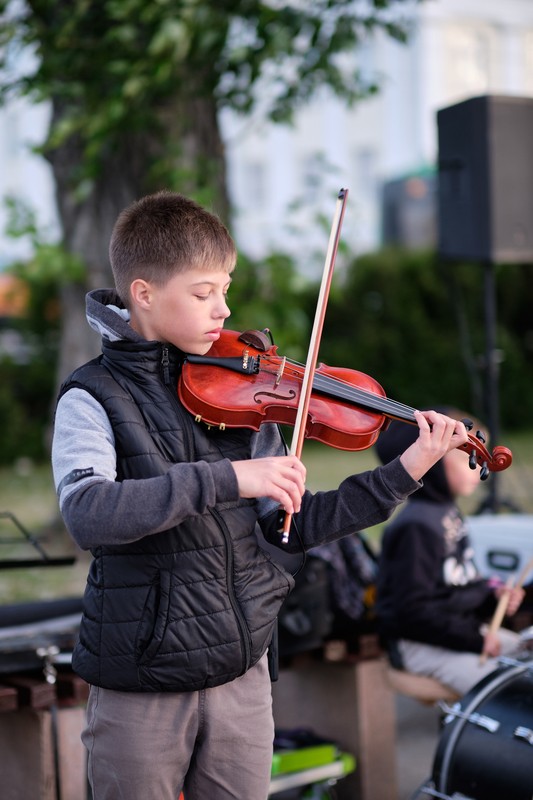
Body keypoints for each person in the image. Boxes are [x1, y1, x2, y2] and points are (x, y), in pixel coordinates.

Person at [51, 190, 469, 800]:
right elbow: (88, 515)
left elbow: (292, 526)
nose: (223, 310)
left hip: (242, 676)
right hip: (141, 682)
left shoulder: (248, 388)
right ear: (142, 293)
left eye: (225, 288)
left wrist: (406, 470)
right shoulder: (92, 397)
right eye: (202, 294)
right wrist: (228, 479)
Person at [375, 410, 524, 697]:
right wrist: (474, 640)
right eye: (467, 455)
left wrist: (493, 597)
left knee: (524, 656)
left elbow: (457, 587)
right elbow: (412, 613)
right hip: (420, 646)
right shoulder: (417, 527)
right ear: (433, 462)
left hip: (457, 633)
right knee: (512, 692)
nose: (481, 464)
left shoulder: (448, 513)